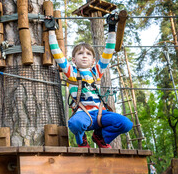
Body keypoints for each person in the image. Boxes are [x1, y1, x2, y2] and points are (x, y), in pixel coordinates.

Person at [45, 15, 133, 148]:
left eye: (88, 54)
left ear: (93, 60)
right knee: (75, 123)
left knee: (126, 123)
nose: (84, 56)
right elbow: (57, 53)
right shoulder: (71, 72)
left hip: (100, 113)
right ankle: (82, 141)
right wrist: (51, 30)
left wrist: (111, 28)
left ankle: (100, 136)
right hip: (83, 114)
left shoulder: (96, 72)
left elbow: (108, 51)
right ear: (74, 60)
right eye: (80, 54)